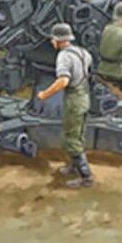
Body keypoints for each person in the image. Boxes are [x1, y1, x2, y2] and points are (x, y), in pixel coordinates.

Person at [36, 23, 95, 189]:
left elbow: (63, 81)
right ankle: (73, 166)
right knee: (78, 134)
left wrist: (45, 94)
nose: (52, 42)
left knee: (71, 138)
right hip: (84, 96)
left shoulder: (63, 56)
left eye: (53, 39)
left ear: (58, 40)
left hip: (74, 99)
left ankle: (86, 177)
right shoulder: (83, 52)